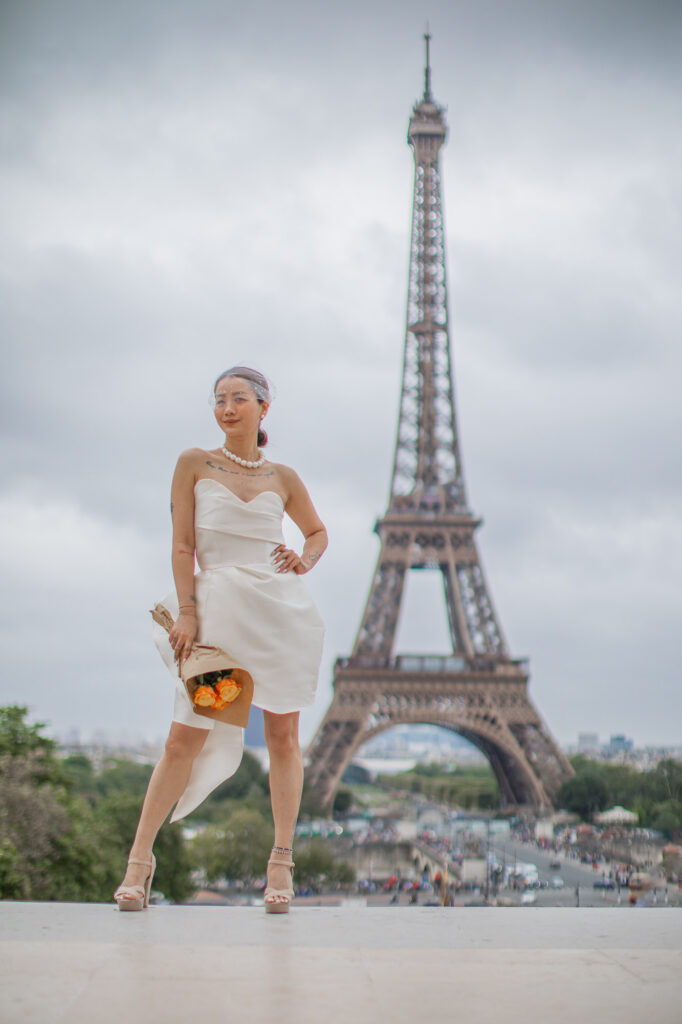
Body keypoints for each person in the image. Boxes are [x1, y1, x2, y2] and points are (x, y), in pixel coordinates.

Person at [114, 366, 326, 914]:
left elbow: (318, 531)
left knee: (283, 737)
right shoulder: (193, 463)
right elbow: (182, 546)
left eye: (238, 399)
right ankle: (139, 861)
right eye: (219, 400)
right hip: (216, 620)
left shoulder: (284, 477)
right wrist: (187, 611)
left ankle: (280, 861)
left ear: (263, 408)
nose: (227, 408)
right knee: (184, 738)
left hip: (278, 613)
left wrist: (304, 557)